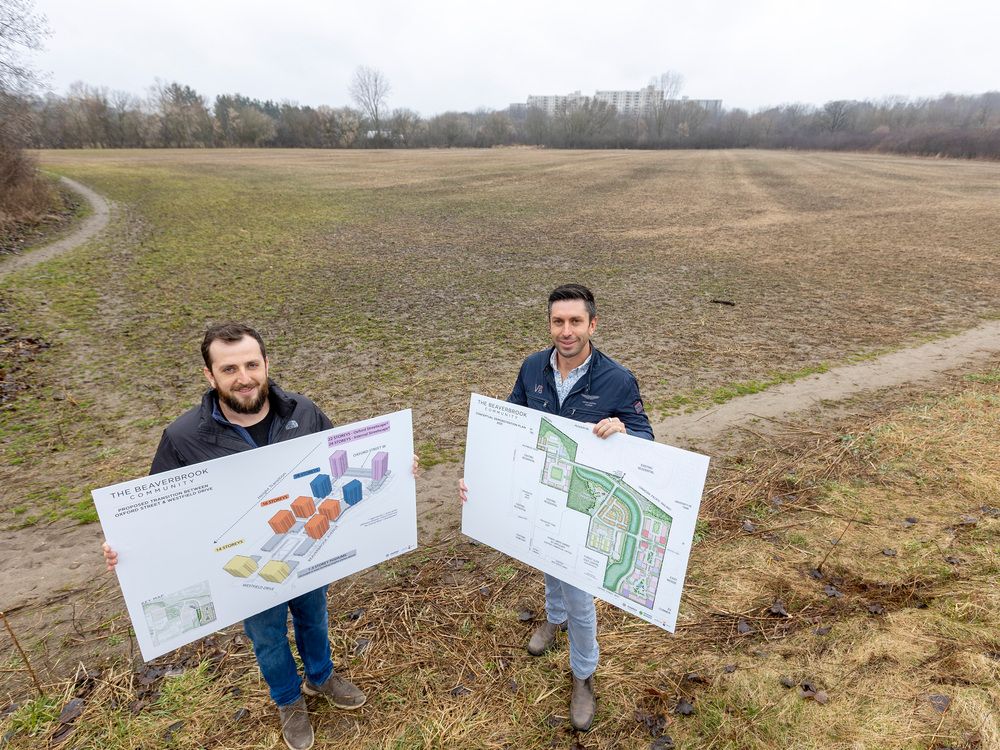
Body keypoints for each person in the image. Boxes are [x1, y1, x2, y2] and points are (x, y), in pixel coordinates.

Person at [104, 322, 392, 750]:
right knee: (267, 634)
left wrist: (396, 469)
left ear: (265, 363)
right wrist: (127, 547)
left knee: (314, 615)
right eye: (230, 368)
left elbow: (342, 456)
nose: (244, 377)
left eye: (251, 364)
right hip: (244, 562)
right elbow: (156, 509)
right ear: (210, 375)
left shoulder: (303, 412)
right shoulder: (183, 437)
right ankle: (288, 700)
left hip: (307, 544)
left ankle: (320, 676)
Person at [460, 283, 653, 732]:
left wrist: (624, 430)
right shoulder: (532, 368)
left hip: (585, 505)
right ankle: (553, 619)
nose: (566, 331)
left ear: (592, 324)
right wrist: (480, 478)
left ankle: (583, 673)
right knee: (547, 559)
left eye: (575, 322)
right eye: (558, 322)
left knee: (580, 592)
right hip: (545, 492)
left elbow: (647, 438)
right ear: (550, 324)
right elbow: (508, 423)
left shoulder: (617, 379)